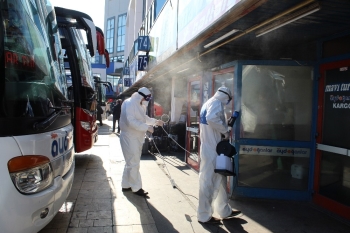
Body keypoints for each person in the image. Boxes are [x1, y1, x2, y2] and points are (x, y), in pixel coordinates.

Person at [197, 86, 241, 224]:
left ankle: (224, 210)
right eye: (228, 99)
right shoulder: (216, 103)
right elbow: (211, 118)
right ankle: (204, 216)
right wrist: (225, 131)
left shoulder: (208, 102)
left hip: (210, 147)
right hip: (212, 150)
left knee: (221, 179)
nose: (227, 102)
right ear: (225, 96)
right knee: (208, 182)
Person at [119, 87, 164, 196]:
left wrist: (155, 122)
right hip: (129, 137)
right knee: (134, 163)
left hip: (136, 137)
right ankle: (136, 188)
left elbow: (143, 118)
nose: (147, 100)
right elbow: (131, 122)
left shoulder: (140, 105)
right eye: (147, 98)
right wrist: (147, 127)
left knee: (130, 162)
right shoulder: (129, 104)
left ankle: (126, 185)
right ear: (141, 96)